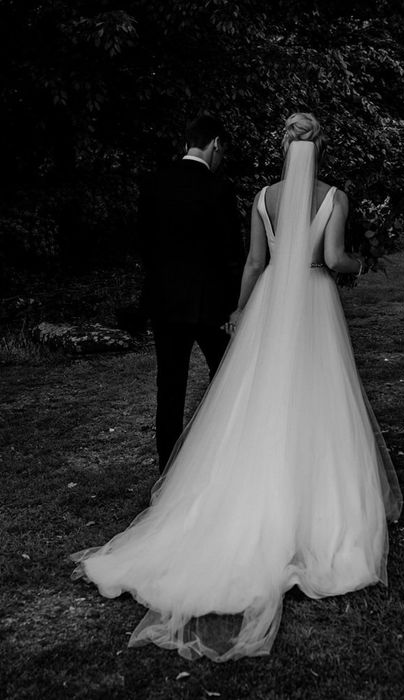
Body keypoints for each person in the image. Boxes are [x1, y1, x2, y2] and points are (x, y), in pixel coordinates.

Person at [72, 112, 402, 662]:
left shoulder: (262, 198)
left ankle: (243, 499)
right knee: (318, 399)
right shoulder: (335, 198)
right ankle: (316, 510)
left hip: (271, 300)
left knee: (259, 400)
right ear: (318, 150)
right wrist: (363, 260)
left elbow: (253, 261)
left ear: (283, 149)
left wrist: (243, 311)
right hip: (315, 303)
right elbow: (332, 258)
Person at [137, 114, 245, 473]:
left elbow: (144, 248)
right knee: (228, 381)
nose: (222, 158)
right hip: (210, 307)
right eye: (222, 151)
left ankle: (167, 471)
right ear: (215, 143)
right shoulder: (220, 189)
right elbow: (232, 256)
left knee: (170, 389)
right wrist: (234, 307)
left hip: (165, 305)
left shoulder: (153, 184)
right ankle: (224, 460)